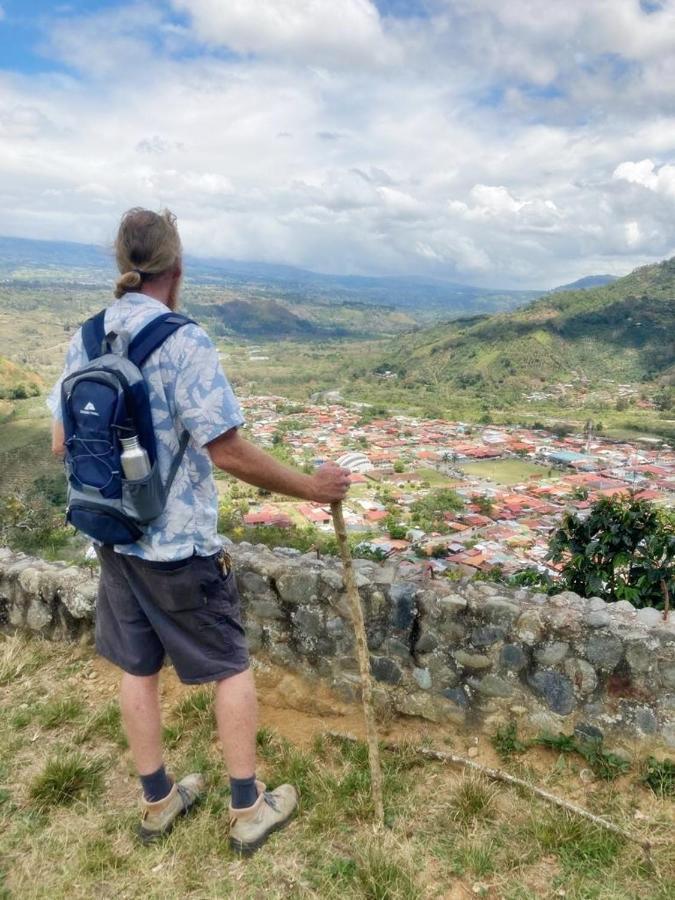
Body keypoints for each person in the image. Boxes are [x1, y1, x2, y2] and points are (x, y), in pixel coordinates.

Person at [47, 208, 350, 854]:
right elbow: (229, 451)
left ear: (120, 265)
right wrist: (313, 488)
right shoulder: (185, 341)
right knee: (229, 665)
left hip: (113, 536)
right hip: (177, 544)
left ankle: (157, 801)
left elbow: (58, 441)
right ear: (176, 271)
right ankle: (247, 807)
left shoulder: (86, 338)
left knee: (138, 667)